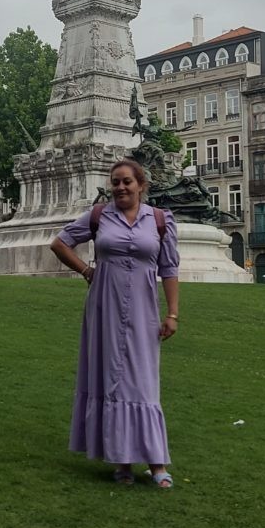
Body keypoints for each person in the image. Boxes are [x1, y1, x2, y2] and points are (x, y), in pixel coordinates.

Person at [49, 158, 179, 489]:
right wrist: (86, 270)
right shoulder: (99, 216)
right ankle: (121, 461)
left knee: (143, 382)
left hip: (142, 309)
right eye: (115, 182)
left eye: (126, 182)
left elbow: (169, 269)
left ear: (141, 185)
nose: (120, 187)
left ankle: (156, 463)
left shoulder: (160, 221)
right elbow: (59, 243)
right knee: (109, 378)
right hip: (103, 307)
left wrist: (172, 313)